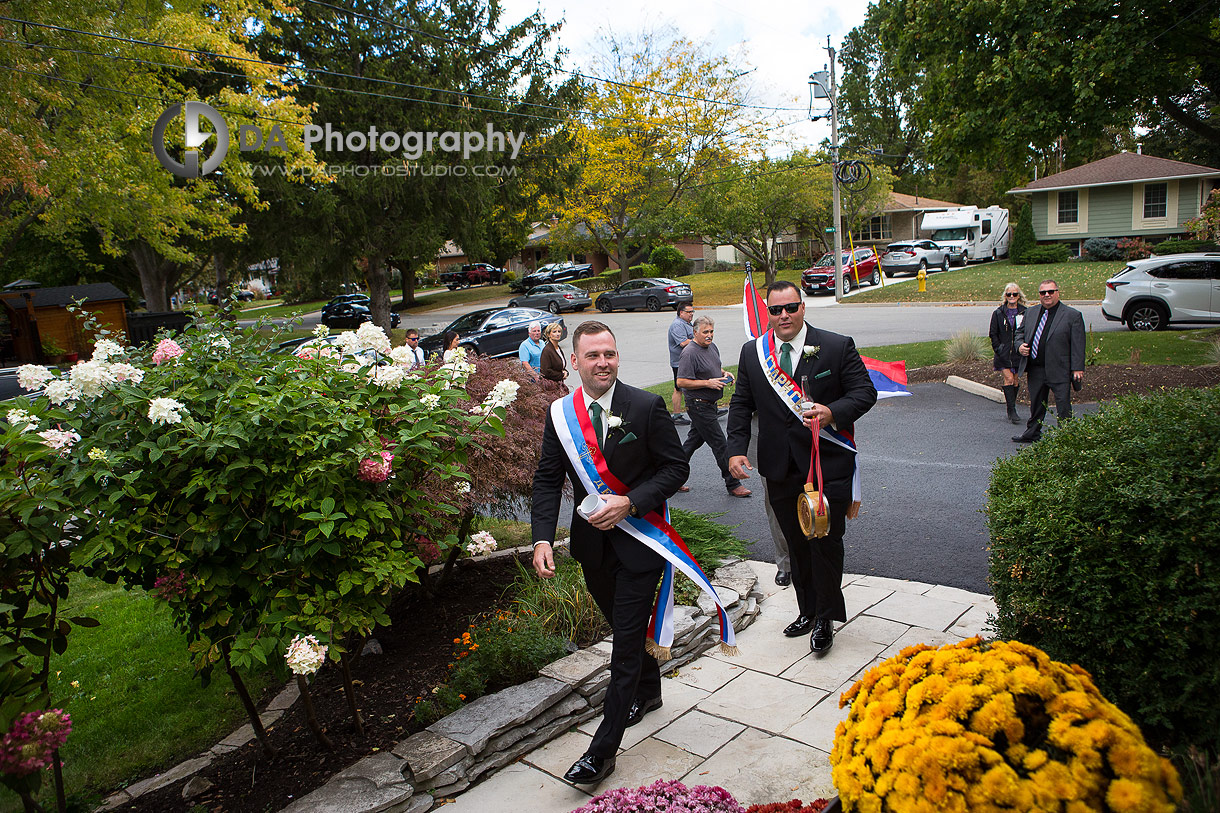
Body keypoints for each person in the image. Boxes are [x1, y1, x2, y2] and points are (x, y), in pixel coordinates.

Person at [532, 321, 689, 785]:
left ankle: (601, 752)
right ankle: (650, 690)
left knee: (622, 646)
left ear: (617, 357)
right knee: (625, 630)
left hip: (641, 545)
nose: (603, 362)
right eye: (593, 355)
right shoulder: (559, 414)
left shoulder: (645, 405)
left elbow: (675, 468)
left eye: (610, 354)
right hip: (592, 549)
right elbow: (546, 480)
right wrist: (542, 537)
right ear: (574, 361)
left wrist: (631, 501)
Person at [727, 281, 877, 655]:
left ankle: (825, 618)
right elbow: (741, 405)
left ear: (803, 307)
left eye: (790, 308)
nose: (784, 316)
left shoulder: (836, 345)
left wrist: (832, 413)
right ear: (768, 313)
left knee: (824, 541)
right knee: (796, 544)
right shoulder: (753, 354)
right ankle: (807, 610)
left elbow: (864, 393)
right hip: (779, 466)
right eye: (776, 310)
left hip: (827, 463)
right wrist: (734, 451)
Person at [675, 315, 751, 498]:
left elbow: (714, 369)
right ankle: (733, 483)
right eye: (705, 332)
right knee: (720, 444)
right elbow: (681, 381)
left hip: (710, 405)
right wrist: (707, 383)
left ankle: (671, 476)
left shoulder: (711, 347)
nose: (709, 335)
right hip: (698, 406)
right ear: (695, 332)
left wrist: (725, 373)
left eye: (711, 331)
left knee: (692, 442)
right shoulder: (689, 352)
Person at [1013, 279, 1085, 444]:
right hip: (1036, 368)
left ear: (1057, 293)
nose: (1047, 295)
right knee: (1037, 404)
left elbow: (1078, 343)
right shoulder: (1030, 313)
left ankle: (1066, 436)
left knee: (1063, 405)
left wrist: (1077, 368)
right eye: (1043, 292)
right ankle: (1032, 433)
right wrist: (1019, 346)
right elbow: (1019, 333)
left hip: (1060, 368)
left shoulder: (1072, 315)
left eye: (1050, 292)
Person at [989, 283, 1027, 424]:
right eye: (1009, 294)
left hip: (1018, 353)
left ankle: (1012, 405)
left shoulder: (1024, 312)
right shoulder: (999, 313)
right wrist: (999, 348)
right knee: (1009, 379)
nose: (1012, 297)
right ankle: (1011, 410)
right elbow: (993, 334)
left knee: (1016, 381)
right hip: (1003, 353)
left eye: (1014, 294)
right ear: (1005, 296)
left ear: (1019, 296)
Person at [667, 303, 695, 425]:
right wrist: (700, 340)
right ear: (681, 313)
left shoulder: (687, 324)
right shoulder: (677, 325)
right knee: (679, 388)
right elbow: (683, 342)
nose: (691, 314)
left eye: (692, 312)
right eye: (689, 312)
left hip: (689, 361)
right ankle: (677, 416)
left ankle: (709, 410)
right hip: (679, 363)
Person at [539, 321, 568, 396]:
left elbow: (561, 365)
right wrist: (561, 375)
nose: (557, 334)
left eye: (559, 331)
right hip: (552, 387)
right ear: (548, 334)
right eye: (554, 332)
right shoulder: (547, 350)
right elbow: (546, 371)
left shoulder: (558, 348)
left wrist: (566, 372)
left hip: (560, 384)